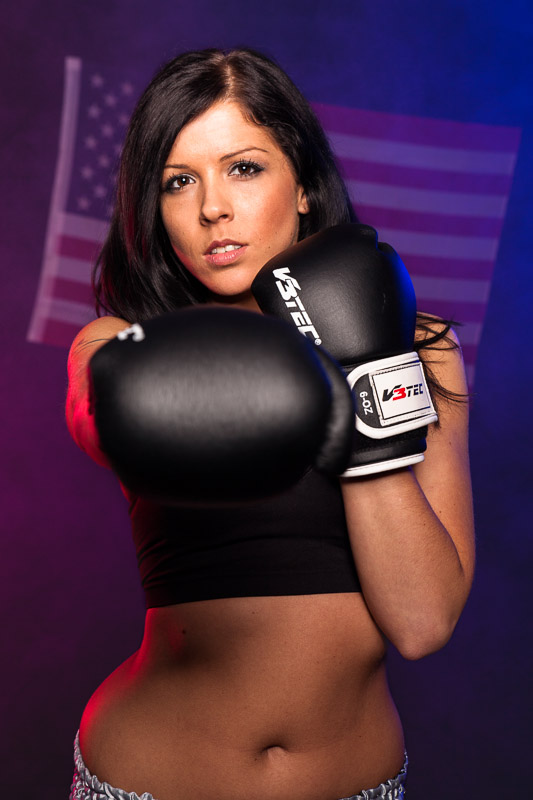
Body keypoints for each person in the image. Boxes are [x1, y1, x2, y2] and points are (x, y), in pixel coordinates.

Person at [66, 47, 475, 800]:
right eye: (178, 181)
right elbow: (97, 414)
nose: (212, 208)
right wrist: (146, 393)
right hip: (151, 778)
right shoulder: (123, 342)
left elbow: (422, 623)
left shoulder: (420, 349)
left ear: (305, 186)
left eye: (244, 168)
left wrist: (360, 384)